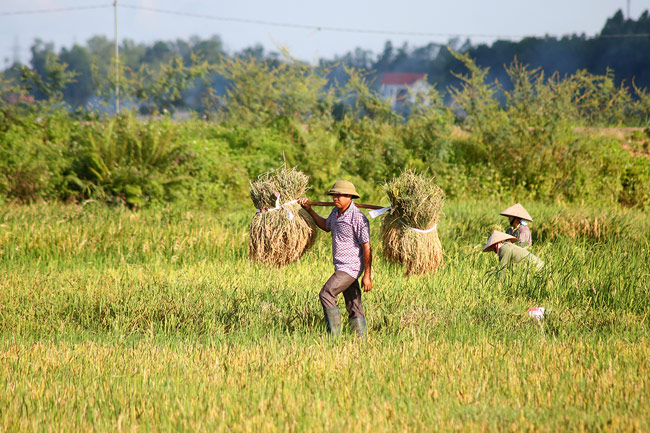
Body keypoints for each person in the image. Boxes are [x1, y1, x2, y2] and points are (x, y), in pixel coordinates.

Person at [298, 180, 372, 338]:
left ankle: (335, 337)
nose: (335, 198)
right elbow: (326, 225)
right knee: (353, 303)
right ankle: (361, 339)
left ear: (349, 197)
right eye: (334, 195)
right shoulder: (335, 213)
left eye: (339, 195)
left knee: (326, 293)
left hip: (350, 267)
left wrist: (367, 275)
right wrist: (309, 210)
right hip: (341, 266)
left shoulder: (358, 217)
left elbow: (367, 246)